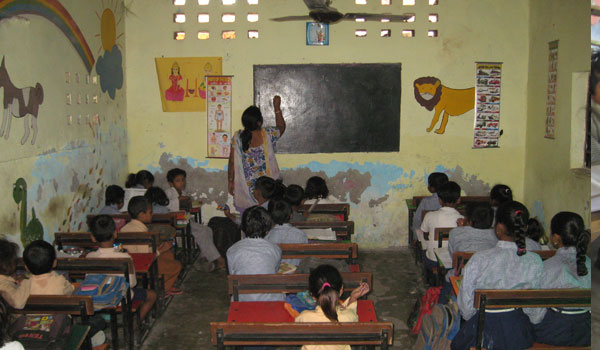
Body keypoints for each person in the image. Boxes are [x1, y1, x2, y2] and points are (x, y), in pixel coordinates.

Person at [453, 201, 544, 350]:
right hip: (518, 335)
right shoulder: (534, 261)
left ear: (499, 228)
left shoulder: (479, 259)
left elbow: (466, 309)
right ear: (525, 227)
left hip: (482, 333)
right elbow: (535, 314)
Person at [532, 212, 591, 347]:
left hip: (553, 331)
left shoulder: (545, 267)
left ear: (556, 238)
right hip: (586, 331)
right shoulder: (590, 264)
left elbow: (535, 312)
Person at [87, 215, 157, 321]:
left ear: (92, 237)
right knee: (152, 295)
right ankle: (134, 325)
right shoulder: (125, 257)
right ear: (115, 234)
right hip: (120, 298)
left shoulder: (90, 257)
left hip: (98, 297)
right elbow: (132, 283)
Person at [228, 96, 286, 212]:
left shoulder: (237, 137)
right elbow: (281, 127)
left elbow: (232, 162)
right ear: (259, 122)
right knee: (267, 217)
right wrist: (276, 108)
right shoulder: (268, 134)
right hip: (266, 190)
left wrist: (231, 181)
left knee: (249, 220)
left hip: (247, 189)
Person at [295, 264, 370, 350]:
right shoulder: (349, 317)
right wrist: (353, 298)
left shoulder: (304, 317)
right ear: (341, 289)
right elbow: (350, 316)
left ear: (312, 295)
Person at [165, 168, 226, 271]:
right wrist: (179, 200)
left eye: (183, 179)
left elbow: (186, 206)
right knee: (202, 232)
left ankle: (204, 257)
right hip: (176, 223)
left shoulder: (183, 192)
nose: (182, 183)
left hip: (185, 221)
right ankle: (219, 259)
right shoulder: (168, 192)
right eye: (178, 180)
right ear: (171, 183)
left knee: (208, 230)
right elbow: (167, 205)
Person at [120, 196, 182, 295]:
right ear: (141, 215)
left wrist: (159, 248)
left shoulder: (124, 228)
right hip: (142, 264)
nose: (152, 214)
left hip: (129, 262)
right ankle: (161, 289)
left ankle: (162, 284)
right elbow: (146, 256)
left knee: (168, 254)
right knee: (177, 266)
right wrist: (160, 250)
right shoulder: (142, 232)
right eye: (150, 212)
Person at [226, 206, 282, 301]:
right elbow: (275, 271)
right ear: (267, 230)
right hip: (271, 300)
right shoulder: (275, 249)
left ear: (242, 227)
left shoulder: (232, 250)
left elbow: (233, 274)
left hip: (241, 300)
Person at [418, 181, 464, 270]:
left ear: (439, 200)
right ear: (459, 200)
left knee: (425, 249)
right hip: (455, 262)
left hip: (434, 261)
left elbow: (425, 235)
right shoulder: (462, 220)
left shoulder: (429, 215)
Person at [266, 199, 308, 265]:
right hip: (296, 272)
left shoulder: (267, 236)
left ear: (270, 217)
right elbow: (304, 258)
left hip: (274, 273)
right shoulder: (300, 234)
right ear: (291, 215)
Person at [0, 239, 30, 309]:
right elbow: (18, 303)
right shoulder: (4, 285)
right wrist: (25, 281)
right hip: (11, 319)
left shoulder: (5, 281)